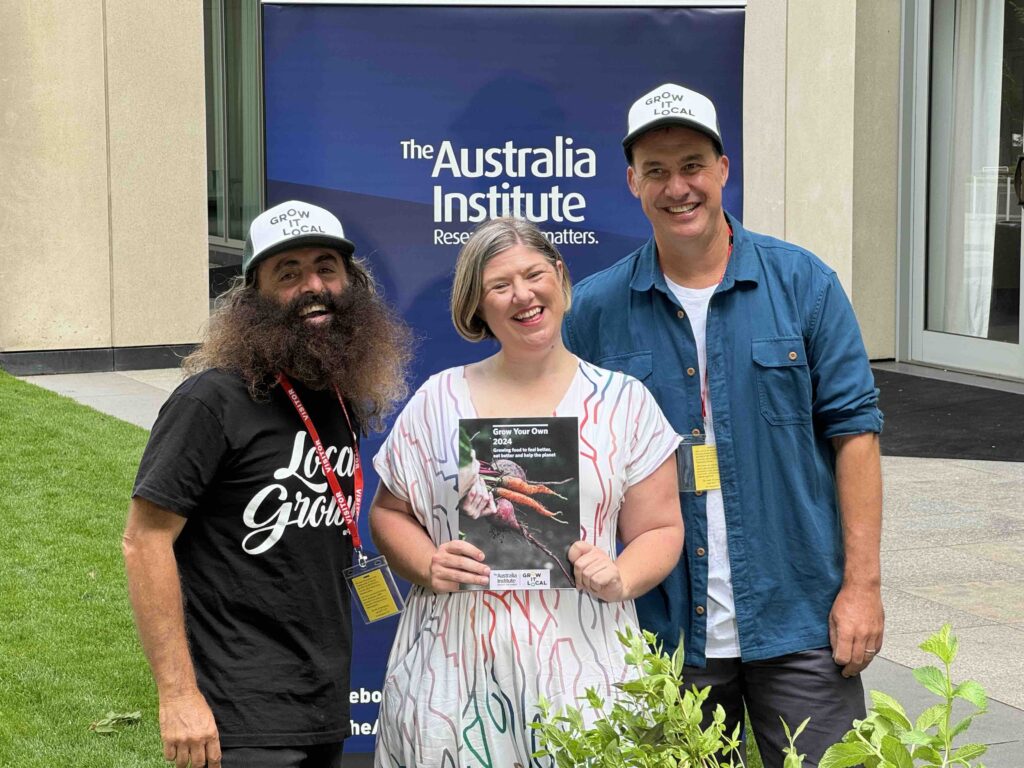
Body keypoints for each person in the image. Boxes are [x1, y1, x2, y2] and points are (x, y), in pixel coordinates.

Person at [563, 83, 885, 766]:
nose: (677, 187)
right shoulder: (594, 310)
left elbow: (855, 434)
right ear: (631, 182)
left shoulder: (805, 284)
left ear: (722, 170)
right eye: (656, 171)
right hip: (664, 634)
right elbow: (568, 455)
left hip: (800, 621)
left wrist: (862, 590)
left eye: (691, 166)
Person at [368, 217, 684, 766]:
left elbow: (660, 527)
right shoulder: (439, 399)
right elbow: (389, 512)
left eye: (534, 274)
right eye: (499, 285)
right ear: (478, 306)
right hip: (455, 671)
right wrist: (426, 562)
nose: (522, 295)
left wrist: (622, 576)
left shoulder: (624, 401)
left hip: (588, 665)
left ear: (560, 279)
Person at [122, 200, 412, 768]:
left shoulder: (338, 400)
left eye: (327, 267)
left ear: (351, 283)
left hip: (321, 706)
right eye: (289, 273)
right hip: (238, 715)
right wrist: (179, 697)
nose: (313, 285)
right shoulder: (212, 400)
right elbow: (144, 541)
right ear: (253, 295)